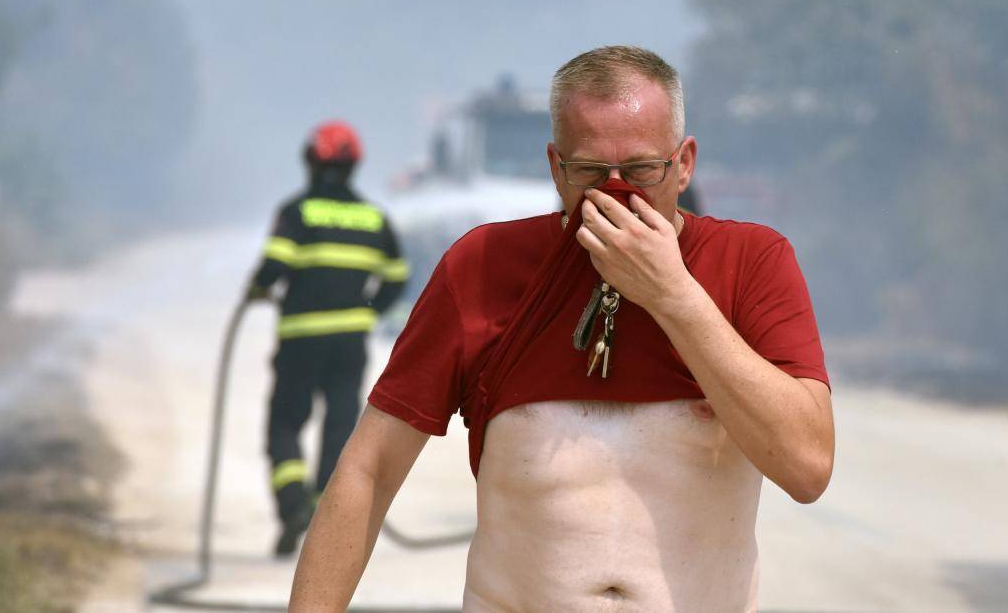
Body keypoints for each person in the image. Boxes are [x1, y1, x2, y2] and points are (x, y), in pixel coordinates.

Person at [289, 46, 834, 612]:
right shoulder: (482, 267)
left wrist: (673, 295)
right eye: (591, 172)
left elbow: (807, 468)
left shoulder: (751, 263)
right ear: (555, 167)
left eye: (643, 170)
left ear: (685, 163)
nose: (617, 193)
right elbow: (368, 471)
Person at [248, 120, 408, 557]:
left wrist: (256, 290)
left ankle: (292, 504)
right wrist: (366, 311)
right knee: (339, 428)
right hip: (349, 343)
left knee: (285, 422)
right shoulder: (373, 218)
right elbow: (397, 278)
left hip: (301, 339)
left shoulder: (298, 213)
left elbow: (272, 269)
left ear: (310, 162)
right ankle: (324, 521)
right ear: (353, 166)